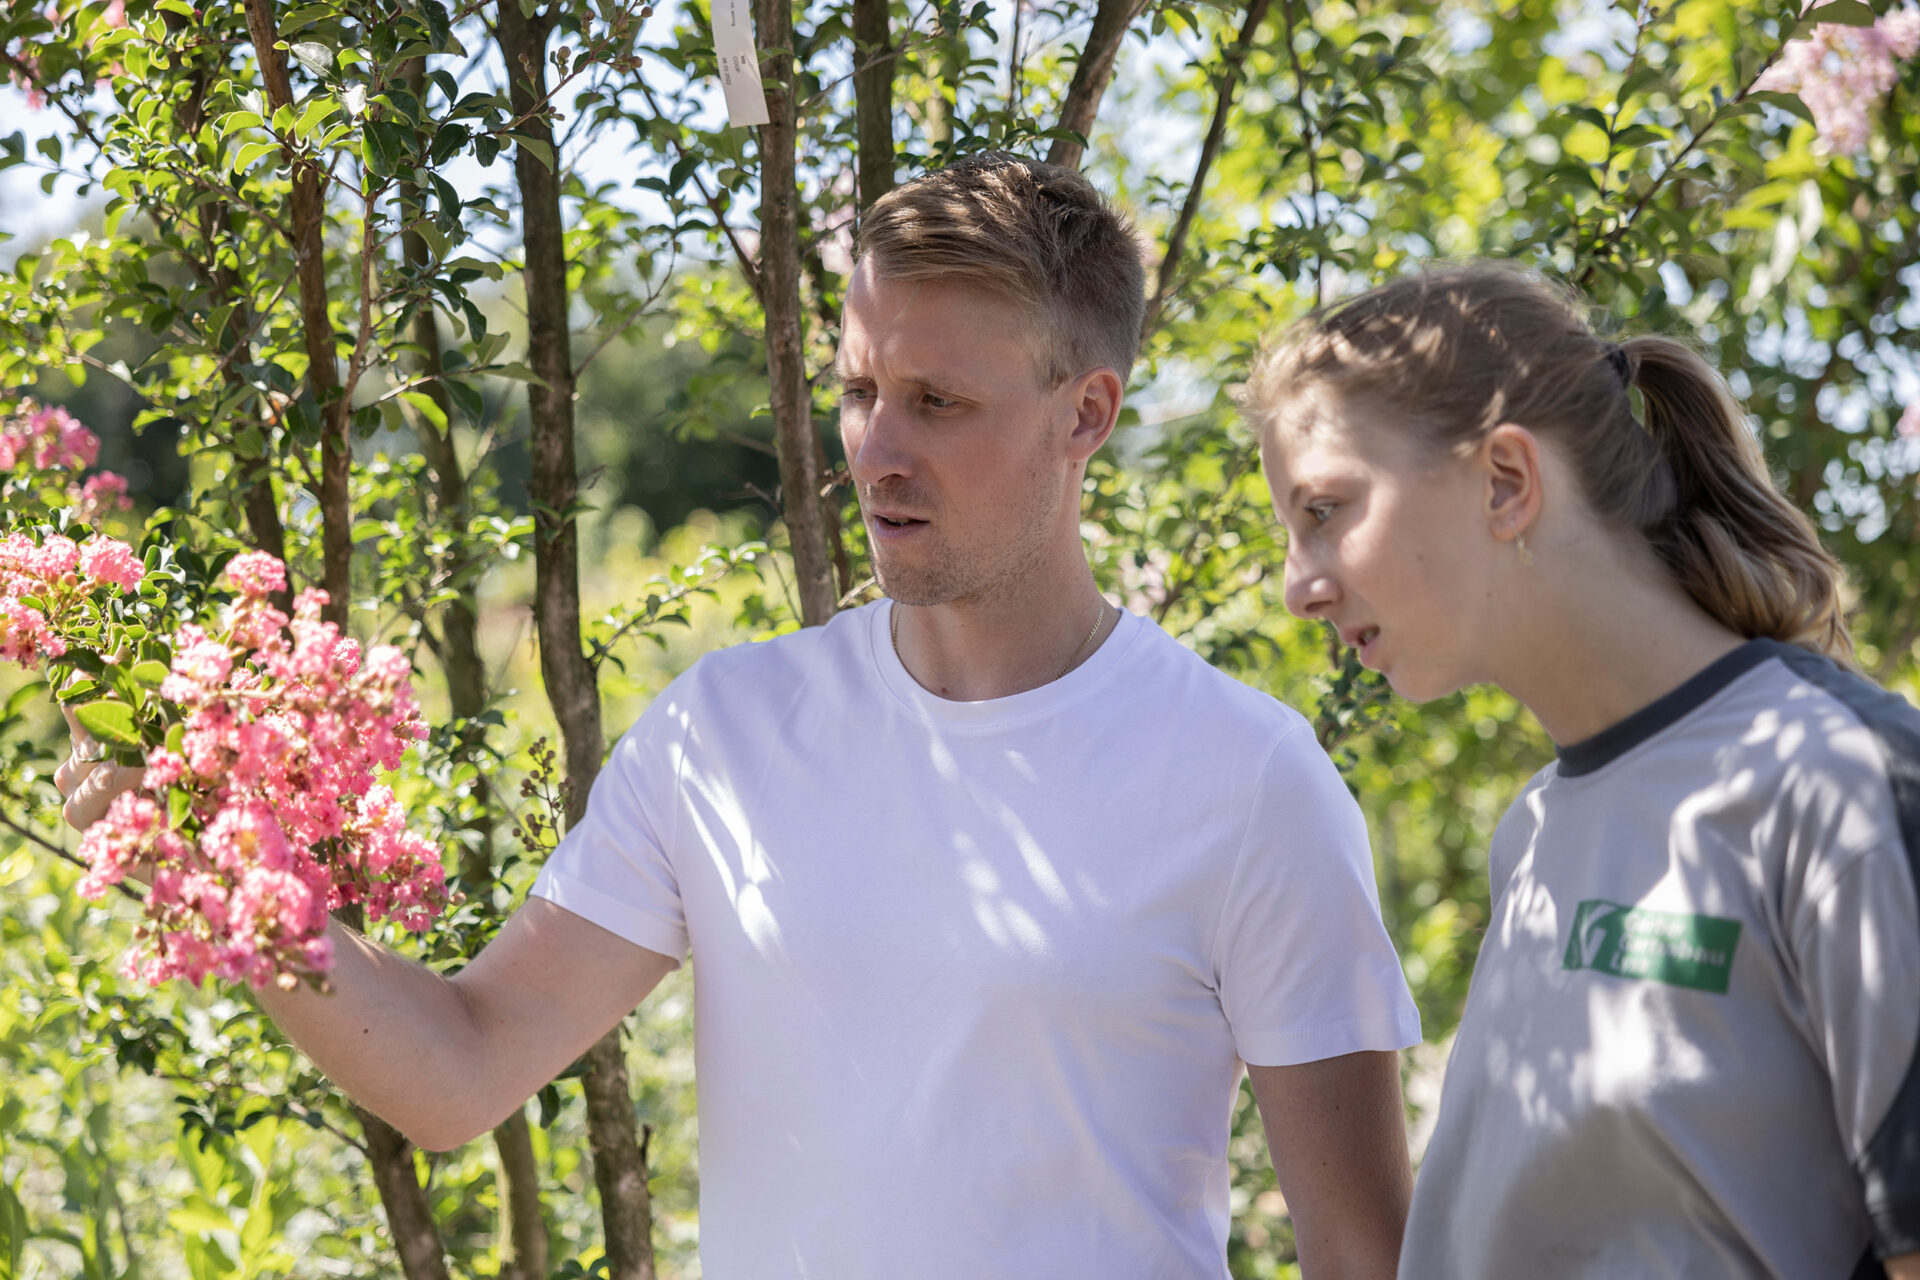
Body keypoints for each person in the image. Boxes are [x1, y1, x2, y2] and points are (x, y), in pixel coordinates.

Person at [58, 153, 1422, 1279]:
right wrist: (213, 862)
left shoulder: (1247, 779)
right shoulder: (726, 732)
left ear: (1088, 415)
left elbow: (1364, 1255)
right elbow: (458, 1072)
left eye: (938, 402)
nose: (878, 450)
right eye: (861, 392)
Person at [1244, 260, 1920, 1280]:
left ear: (1506, 482)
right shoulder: (1533, 829)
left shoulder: (1844, 786)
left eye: (1326, 511)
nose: (1300, 586)